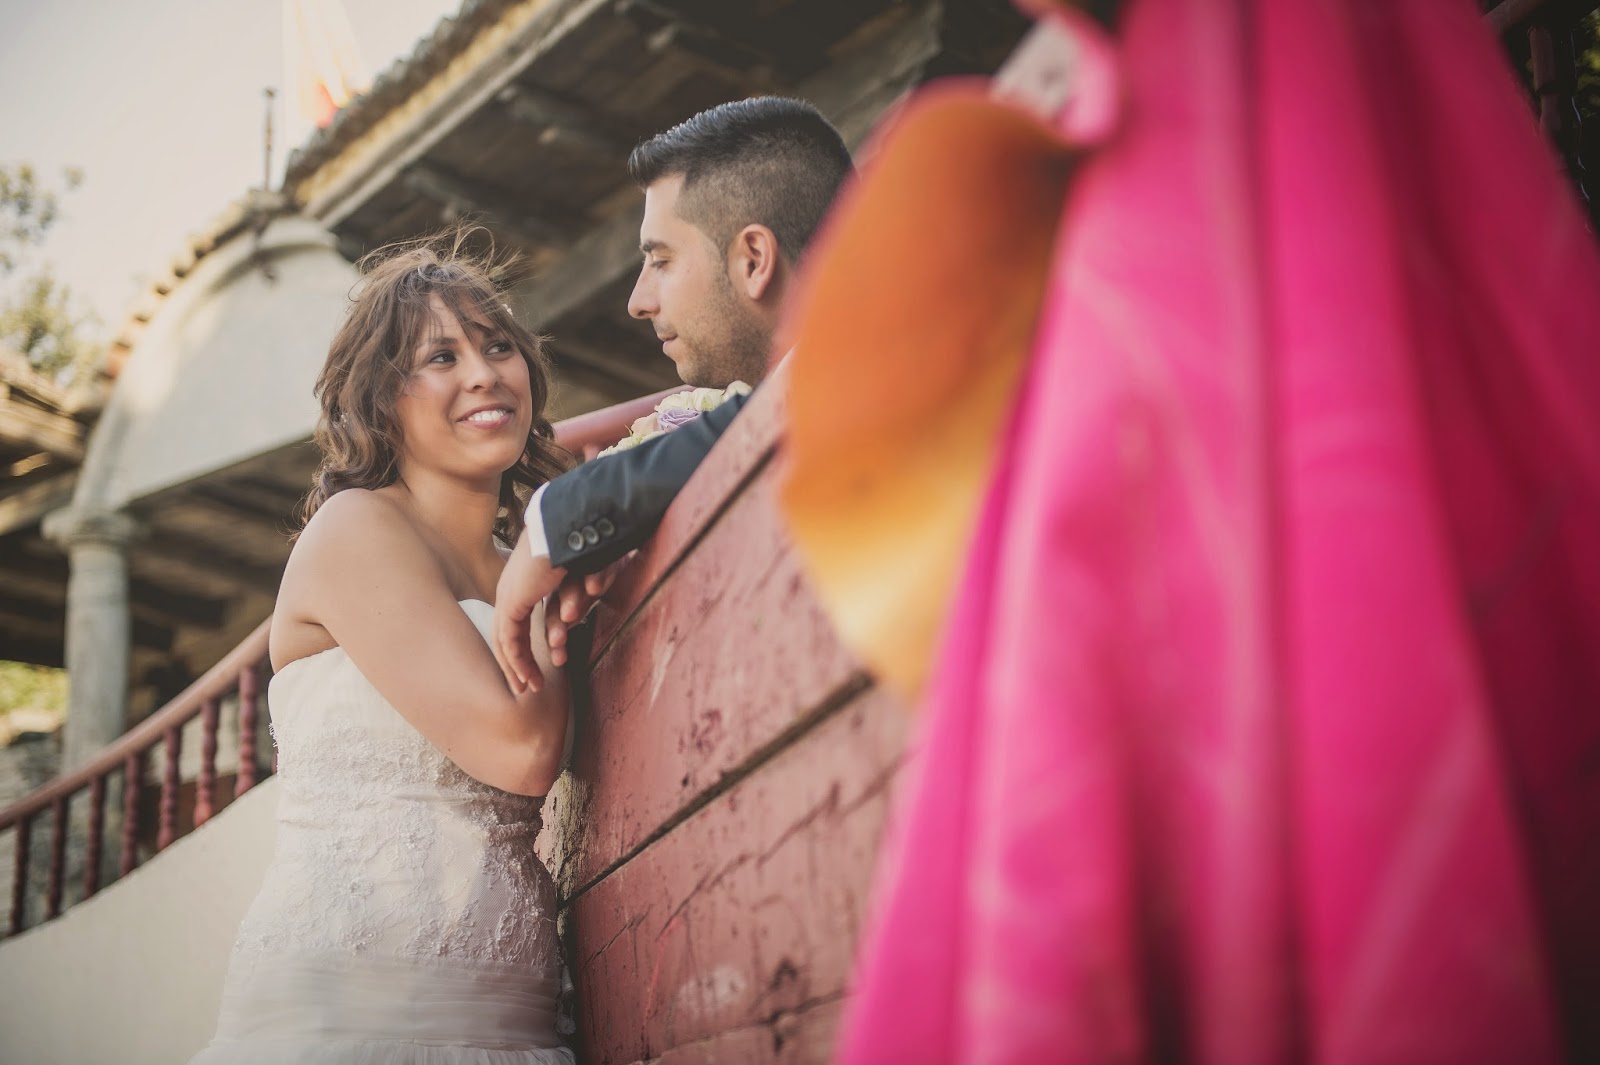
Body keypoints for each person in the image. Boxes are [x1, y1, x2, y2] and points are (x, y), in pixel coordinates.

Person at [190, 239, 576, 1064]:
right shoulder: (355, 529)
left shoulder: (523, 565)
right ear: (382, 400)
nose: (484, 373)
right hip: (344, 1012)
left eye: (498, 345)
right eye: (442, 356)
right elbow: (523, 748)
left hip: (510, 1012)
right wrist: (551, 557)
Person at [492, 95, 852, 688]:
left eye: (660, 260)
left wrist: (570, 514)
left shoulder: (891, 348)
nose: (638, 301)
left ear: (753, 259)